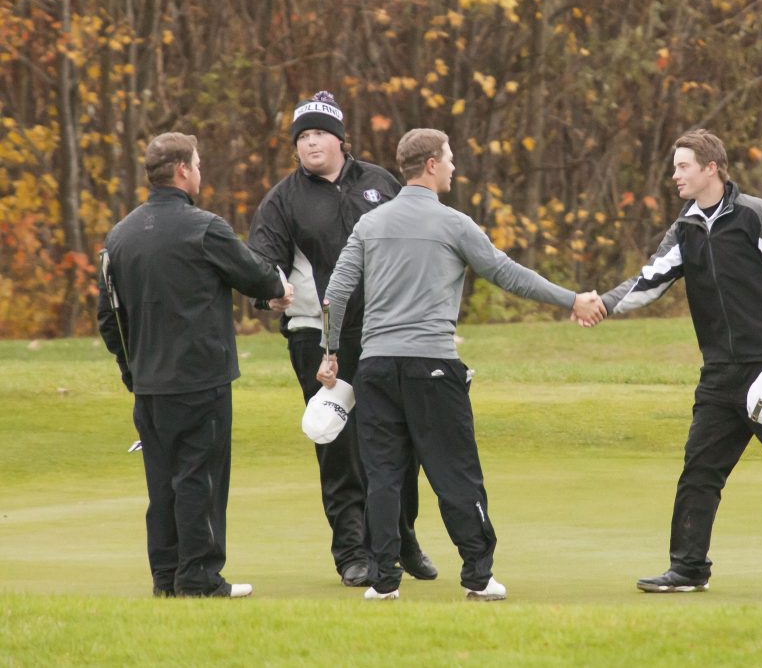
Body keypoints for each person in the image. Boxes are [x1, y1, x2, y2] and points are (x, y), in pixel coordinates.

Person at [317, 128, 606, 601]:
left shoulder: (368, 225)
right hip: (432, 366)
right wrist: (571, 299)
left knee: (384, 475)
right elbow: (506, 273)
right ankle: (477, 576)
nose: (454, 166)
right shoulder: (454, 224)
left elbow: (336, 292)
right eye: (449, 158)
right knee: (455, 472)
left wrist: (330, 353)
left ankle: (384, 582)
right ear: (431, 164)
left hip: (375, 369)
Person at [596, 129, 762, 595]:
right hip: (718, 373)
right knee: (699, 469)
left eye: (682, 166)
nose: (674, 175)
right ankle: (689, 568)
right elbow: (648, 281)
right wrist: (602, 304)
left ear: (710, 168)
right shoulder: (686, 227)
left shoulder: (756, 217)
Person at [247, 91, 434, 588]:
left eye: (318, 134)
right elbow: (260, 264)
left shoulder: (380, 183)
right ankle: (352, 551)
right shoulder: (283, 199)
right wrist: (269, 293)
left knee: (400, 438)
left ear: (339, 139)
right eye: (301, 137)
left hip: (387, 331)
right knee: (337, 442)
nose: (310, 143)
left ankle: (400, 539)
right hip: (318, 336)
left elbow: (417, 237)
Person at [97, 132, 293, 598]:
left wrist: (133, 371)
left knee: (162, 483)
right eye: (198, 164)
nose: (200, 172)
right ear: (183, 170)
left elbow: (109, 319)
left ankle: (167, 577)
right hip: (200, 380)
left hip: (149, 386)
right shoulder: (205, 228)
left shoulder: (118, 237)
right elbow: (257, 275)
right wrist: (277, 293)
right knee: (199, 480)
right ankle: (199, 577)